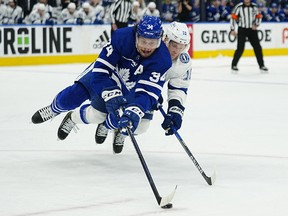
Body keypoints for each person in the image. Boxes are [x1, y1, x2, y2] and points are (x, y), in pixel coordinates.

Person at [31, 15, 172, 153]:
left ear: (159, 40)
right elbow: (101, 70)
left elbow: (147, 92)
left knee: (117, 116)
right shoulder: (121, 37)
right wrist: (109, 92)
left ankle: (105, 125)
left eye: (152, 43)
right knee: (71, 97)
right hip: (105, 75)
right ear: (136, 36)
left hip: (128, 85)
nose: (147, 47)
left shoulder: (162, 59)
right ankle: (54, 109)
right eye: (143, 41)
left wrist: (135, 110)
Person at [95, 21, 192, 154]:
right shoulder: (151, 50)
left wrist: (175, 111)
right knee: (121, 111)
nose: (176, 50)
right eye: (173, 45)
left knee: (142, 127)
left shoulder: (183, 62)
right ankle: (106, 124)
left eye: (181, 47)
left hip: (148, 92)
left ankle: (119, 131)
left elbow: (179, 87)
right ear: (165, 39)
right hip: (130, 86)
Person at [230, 0, 268, 73]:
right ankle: (234, 65)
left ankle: (262, 65)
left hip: (252, 30)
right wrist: (232, 29)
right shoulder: (239, 7)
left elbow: (259, 16)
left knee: (257, 47)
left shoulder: (255, 6)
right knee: (240, 48)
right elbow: (233, 17)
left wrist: (256, 24)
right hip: (242, 29)